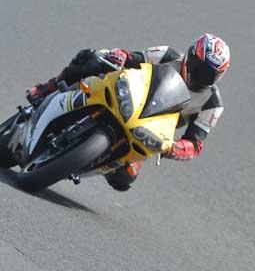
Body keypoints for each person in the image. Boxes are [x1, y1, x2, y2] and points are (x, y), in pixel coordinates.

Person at [25, 33, 230, 191]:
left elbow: (194, 144)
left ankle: (92, 160)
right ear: (190, 56)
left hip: (149, 130)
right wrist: (120, 56)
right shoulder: (167, 55)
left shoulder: (212, 104)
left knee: (124, 179)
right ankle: (48, 88)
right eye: (199, 67)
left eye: (209, 74)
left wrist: (173, 148)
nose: (200, 76)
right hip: (130, 95)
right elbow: (131, 57)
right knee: (91, 58)